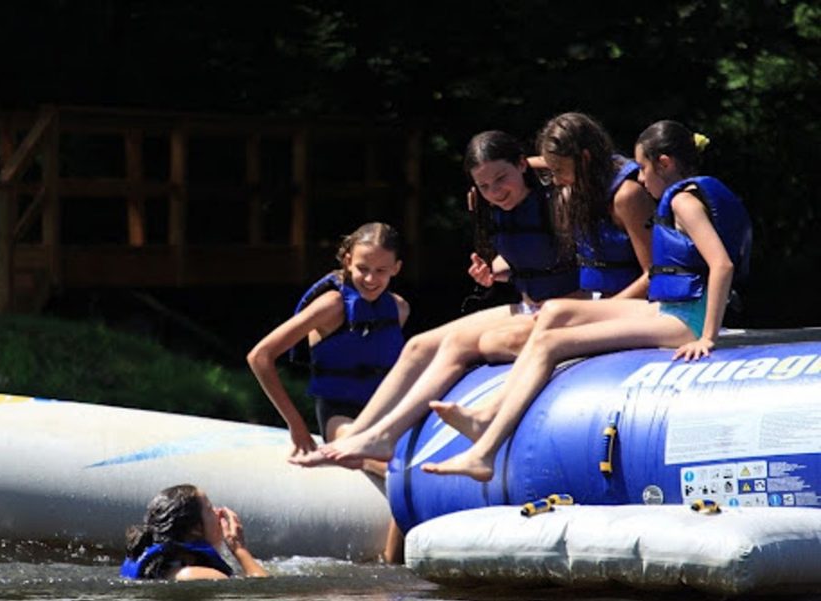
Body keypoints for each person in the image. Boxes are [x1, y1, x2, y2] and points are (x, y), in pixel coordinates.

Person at [294, 115, 654, 469]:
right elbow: (533, 240)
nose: (495, 192)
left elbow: (651, 271)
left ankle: (389, 435)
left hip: (577, 305)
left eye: (502, 179)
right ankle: (363, 433)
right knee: (419, 345)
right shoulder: (517, 193)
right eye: (484, 185)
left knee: (471, 345)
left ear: (524, 166)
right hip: (535, 304)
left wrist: (599, 312)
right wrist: (498, 267)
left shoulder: (574, 194)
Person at [422, 119, 752, 481]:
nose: (639, 179)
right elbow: (546, 163)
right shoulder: (682, 196)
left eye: (642, 168)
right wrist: (504, 174)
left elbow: (722, 265)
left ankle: (484, 453)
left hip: (683, 320)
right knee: (556, 310)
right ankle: (487, 414)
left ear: (665, 164)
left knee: (551, 342)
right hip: (669, 309)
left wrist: (707, 337)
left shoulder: (685, 203)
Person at [246, 221, 409, 562]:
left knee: (408, 473)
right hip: (341, 416)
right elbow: (260, 356)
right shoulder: (331, 306)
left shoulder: (399, 309)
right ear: (347, 260)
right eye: (362, 268)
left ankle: (394, 567)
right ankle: (394, 568)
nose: (370, 279)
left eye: (381, 270)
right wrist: (296, 424)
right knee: (403, 470)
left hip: (383, 417)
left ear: (397, 268)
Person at [121, 484, 268, 580]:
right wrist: (239, 549)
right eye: (210, 509)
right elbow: (268, 594)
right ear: (196, 529)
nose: (218, 513)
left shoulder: (164, 567)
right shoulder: (197, 575)